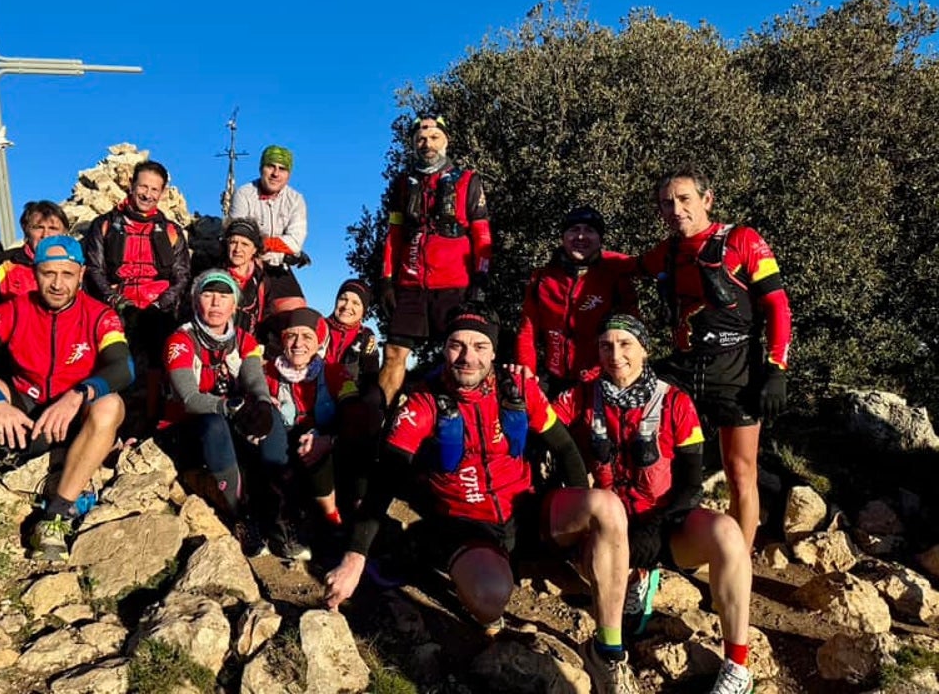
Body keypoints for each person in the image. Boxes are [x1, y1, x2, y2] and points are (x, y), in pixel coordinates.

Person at [326, 305, 640, 694]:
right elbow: (386, 479)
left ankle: (608, 651)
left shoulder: (518, 388)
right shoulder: (423, 401)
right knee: (491, 598)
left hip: (526, 511)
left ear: (494, 353)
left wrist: (579, 524)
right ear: (444, 350)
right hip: (467, 522)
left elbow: (565, 450)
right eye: (457, 345)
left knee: (606, 507)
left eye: (479, 346)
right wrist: (354, 558)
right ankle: (444, 559)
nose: (468, 357)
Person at [554, 314, 754, 694]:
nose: (616, 354)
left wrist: (657, 529)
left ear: (645, 349)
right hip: (609, 526)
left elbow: (692, 482)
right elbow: (545, 425)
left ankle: (737, 666)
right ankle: (629, 591)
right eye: (606, 345)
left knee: (728, 534)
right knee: (602, 536)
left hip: (665, 521)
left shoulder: (675, 400)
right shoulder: (583, 394)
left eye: (626, 343)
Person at [631, 166, 791, 551]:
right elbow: (625, 268)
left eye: (684, 199)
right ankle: (658, 542)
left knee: (740, 471)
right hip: (686, 366)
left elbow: (778, 307)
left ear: (707, 199)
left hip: (737, 368)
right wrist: (578, 258)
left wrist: (776, 369)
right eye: (667, 203)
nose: (676, 209)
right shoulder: (667, 251)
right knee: (651, 453)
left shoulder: (742, 240)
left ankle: (737, 564)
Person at [0, 236, 133, 561]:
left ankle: (55, 517)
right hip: (22, 417)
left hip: (72, 423)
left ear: (81, 274)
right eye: (48, 273)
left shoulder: (99, 314)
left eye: (66, 274)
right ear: (35, 273)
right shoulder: (14, 309)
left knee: (110, 405)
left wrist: (78, 394)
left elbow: (123, 366)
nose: (57, 284)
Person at [160, 269, 304, 559]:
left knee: (271, 414)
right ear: (194, 300)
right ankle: (241, 515)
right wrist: (230, 407)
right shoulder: (181, 341)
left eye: (224, 296)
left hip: (230, 420)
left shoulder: (244, 339)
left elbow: (254, 380)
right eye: (208, 294)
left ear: (235, 305)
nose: (216, 303)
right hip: (186, 427)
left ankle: (277, 516)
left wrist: (262, 401)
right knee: (214, 424)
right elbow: (188, 398)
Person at [377, 114, 492, 408]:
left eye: (433, 137)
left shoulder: (468, 180)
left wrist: (480, 279)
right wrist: (387, 279)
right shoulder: (403, 183)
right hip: (411, 283)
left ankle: (462, 421)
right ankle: (378, 424)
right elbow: (394, 234)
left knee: (460, 356)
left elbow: (481, 234)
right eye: (420, 139)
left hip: (455, 285)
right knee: (393, 354)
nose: (427, 143)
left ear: (446, 140)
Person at [83, 160, 190, 422]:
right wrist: (118, 302)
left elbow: (182, 275)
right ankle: (109, 420)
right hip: (117, 304)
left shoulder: (171, 231)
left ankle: (153, 419)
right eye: (143, 186)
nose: (147, 194)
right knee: (112, 358)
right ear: (131, 185)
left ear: (163, 193)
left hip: (158, 306)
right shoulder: (105, 225)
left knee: (161, 356)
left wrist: (160, 305)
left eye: (155, 189)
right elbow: (94, 269)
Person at [516, 206, 638, 397]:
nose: (581, 237)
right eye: (574, 230)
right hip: (553, 378)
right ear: (563, 237)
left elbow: (633, 332)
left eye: (589, 230)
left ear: (600, 239)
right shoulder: (542, 279)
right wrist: (526, 374)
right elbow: (527, 330)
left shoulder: (615, 278)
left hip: (601, 380)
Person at [263, 307, 355, 542]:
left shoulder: (335, 372)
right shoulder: (268, 372)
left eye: (307, 336)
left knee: (318, 444)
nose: (297, 343)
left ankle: (332, 515)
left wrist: (330, 440)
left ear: (320, 342)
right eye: (291, 335)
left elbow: (355, 412)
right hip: (284, 449)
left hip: (327, 447)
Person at [323, 279, 383, 511]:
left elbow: (370, 376)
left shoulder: (367, 338)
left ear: (364, 310)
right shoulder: (318, 326)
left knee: (369, 408)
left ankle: (359, 497)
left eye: (356, 302)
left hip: (349, 398)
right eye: (344, 299)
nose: (348, 306)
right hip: (315, 393)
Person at [0, 200, 69, 325]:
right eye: (38, 227)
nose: (45, 235)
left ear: (64, 233)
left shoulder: (77, 268)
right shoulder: (2, 265)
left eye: (53, 228)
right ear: (26, 230)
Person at [228, 144, 309, 309]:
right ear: (261, 168)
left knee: (297, 311)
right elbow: (240, 235)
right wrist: (281, 248)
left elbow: (295, 242)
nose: (275, 174)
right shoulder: (244, 194)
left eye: (282, 169)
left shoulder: (296, 200)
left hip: (278, 266)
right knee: (237, 305)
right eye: (270, 166)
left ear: (289, 175)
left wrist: (265, 243)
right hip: (246, 261)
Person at [220, 217, 268, 338]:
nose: (237, 249)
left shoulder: (261, 279)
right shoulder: (215, 274)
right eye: (233, 242)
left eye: (245, 244)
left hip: (250, 344)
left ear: (254, 249)